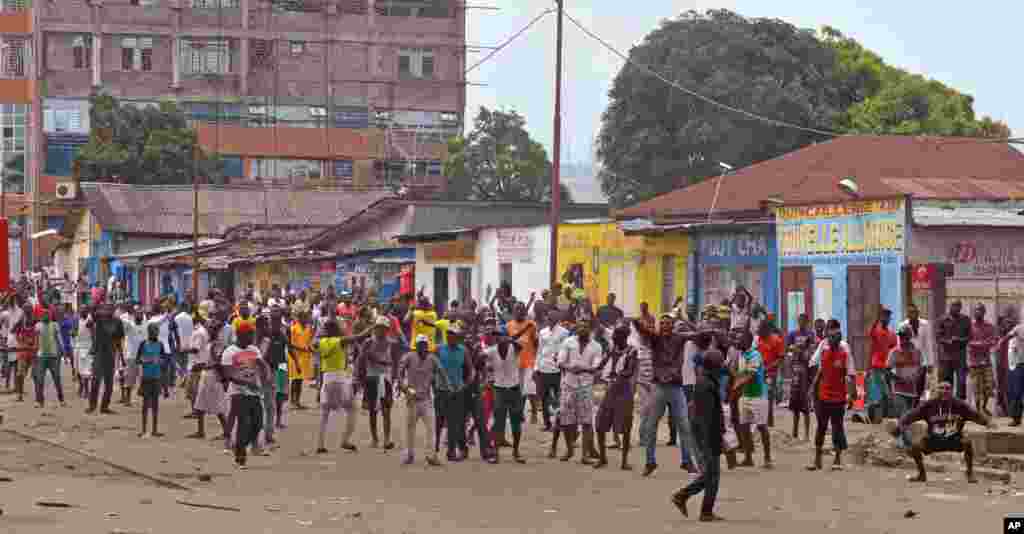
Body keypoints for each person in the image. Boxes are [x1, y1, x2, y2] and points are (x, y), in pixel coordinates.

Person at [897, 381, 994, 483]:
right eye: (941, 388)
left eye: (947, 388)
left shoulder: (960, 404)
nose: (944, 391)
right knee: (915, 446)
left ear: (952, 391)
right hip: (933, 440)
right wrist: (901, 423)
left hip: (954, 440)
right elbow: (913, 414)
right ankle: (921, 475)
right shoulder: (929, 405)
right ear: (937, 390)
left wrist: (987, 422)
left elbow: (974, 415)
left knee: (967, 442)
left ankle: (970, 473)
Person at [671, 349, 726, 522]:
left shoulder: (707, 381)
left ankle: (686, 498)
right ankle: (700, 508)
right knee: (712, 475)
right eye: (720, 365)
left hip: (707, 434)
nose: (722, 367)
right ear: (714, 367)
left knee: (711, 474)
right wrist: (711, 440)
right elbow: (706, 417)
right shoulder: (706, 384)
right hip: (707, 435)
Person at [642, 314, 698, 475]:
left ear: (672, 326)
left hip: (676, 388)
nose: (664, 326)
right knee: (651, 426)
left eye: (668, 323)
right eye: (662, 323)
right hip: (659, 387)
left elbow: (697, 334)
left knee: (684, 426)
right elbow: (645, 332)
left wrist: (686, 320)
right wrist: (640, 322)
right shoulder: (655, 339)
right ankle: (650, 462)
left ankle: (687, 461)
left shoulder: (679, 338)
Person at [807, 320, 856, 471]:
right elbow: (820, 371)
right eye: (830, 337)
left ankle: (837, 459)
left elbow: (850, 375)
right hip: (823, 396)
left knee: (837, 427)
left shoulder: (844, 352)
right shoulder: (824, 350)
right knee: (821, 427)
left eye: (835, 338)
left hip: (839, 397)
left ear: (839, 339)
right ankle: (817, 460)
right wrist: (812, 389)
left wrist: (851, 395)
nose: (831, 340)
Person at [221, 321, 269, 470]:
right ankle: (240, 458)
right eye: (250, 334)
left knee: (258, 423)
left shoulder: (254, 349)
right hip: (237, 392)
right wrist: (247, 383)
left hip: (254, 392)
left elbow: (262, 364)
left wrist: (266, 375)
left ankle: (239, 446)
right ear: (241, 335)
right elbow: (228, 375)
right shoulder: (229, 352)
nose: (252, 337)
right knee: (243, 423)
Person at [316, 319, 365, 454]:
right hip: (340, 380)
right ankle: (345, 440)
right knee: (352, 409)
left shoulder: (321, 342)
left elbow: (313, 345)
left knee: (324, 414)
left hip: (327, 379)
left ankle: (320, 445)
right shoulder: (340, 341)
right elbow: (359, 336)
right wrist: (373, 326)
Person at [557, 322, 602, 464]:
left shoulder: (596, 346)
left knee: (587, 421)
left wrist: (582, 368)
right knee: (566, 421)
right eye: (580, 327)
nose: (583, 329)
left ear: (590, 329)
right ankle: (569, 449)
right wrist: (570, 367)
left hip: (586, 386)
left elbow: (596, 366)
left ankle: (585, 455)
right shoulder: (568, 342)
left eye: (586, 327)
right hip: (568, 385)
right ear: (576, 329)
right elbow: (560, 361)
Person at [593, 324, 637, 470]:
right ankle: (603, 457)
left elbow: (630, 371)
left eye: (616, 335)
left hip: (624, 392)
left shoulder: (632, 351)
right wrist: (591, 369)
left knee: (625, 427)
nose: (613, 337)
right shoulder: (612, 349)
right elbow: (601, 365)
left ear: (624, 337)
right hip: (611, 390)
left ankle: (624, 461)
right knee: (600, 424)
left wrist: (616, 375)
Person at [398, 335, 445, 466]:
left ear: (427, 346)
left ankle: (431, 455)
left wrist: (447, 386)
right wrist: (403, 386)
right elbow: (400, 372)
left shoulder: (432, 358)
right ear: (416, 346)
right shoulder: (409, 356)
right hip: (412, 399)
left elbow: (441, 371)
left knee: (431, 428)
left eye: (424, 344)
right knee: (410, 429)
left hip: (426, 399)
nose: (422, 347)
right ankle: (409, 455)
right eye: (420, 344)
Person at [482, 333, 526, 464]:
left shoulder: (514, 348)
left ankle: (516, 451)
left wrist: (510, 340)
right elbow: (480, 357)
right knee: (499, 422)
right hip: (499, 389)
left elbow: (520, 346)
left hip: (514, 389)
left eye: (502, 336)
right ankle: (496, 453)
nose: (500, 339)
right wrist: (479, 356)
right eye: (497, 337)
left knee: (516, 422)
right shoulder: (492, 350)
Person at [359, 316, 401, 449]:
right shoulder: (368, 342)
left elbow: (396, 362)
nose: (381, 331)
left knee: (386, 410)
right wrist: (360, 378)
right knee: (373, 410)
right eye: (379, 328)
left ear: (387, 330)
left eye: (384, 328)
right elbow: (361, 359)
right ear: (375, 328)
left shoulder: (391, 343)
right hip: (371, 377)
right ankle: (374, 439)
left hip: (385, 379)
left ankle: (387, 439)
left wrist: (395, 378)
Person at [732, 329, 772, 469]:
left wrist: (736, 386)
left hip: (758, 396)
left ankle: (767, 458)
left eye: (739, 339)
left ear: (747, 341)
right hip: (746, 395)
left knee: (762, 426)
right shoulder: (741, 354)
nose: (736, 341)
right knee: (744, 427)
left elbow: (750, 375)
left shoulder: (755, 355)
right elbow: (740, 374)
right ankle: (748, 458)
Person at [437, 325, 472, 462]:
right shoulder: (439, 349)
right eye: (448, 334)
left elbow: (471, 369)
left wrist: (466, 383)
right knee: (440, 420)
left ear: (458, 337)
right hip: (442, 390)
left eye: (453, 334)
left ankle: (453, 450)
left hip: (457, 390)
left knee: (455, 421)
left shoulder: (463, 350)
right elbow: (431, 365)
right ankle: (437, 448)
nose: (450, 336)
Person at [88, 304, 125, 414]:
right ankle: (92, 405)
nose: (108, 310)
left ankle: (104, 406)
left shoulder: (118, 322)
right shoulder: (99, 319)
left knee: (109, 383)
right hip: (99, 353)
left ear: (113, 310)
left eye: (110, 309)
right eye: (106, 308)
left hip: (111, 353)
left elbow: (119, 340)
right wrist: (97, 312)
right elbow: (90, 321)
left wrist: (121, 356)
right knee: (95, 381)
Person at [507, 302, 540, 426]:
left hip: (529, 361)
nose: (519, 312)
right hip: (515, 362)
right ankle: (519, 412)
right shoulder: (509, 325)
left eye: (521, 309)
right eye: (517, 309)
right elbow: (510, 341)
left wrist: (536, 359)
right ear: (513, 311)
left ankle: (534, 412)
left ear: (525, 311)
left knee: (529, 388)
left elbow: (536, 342)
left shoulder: (532, 325)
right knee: (518, 390)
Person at [535, 313, 569, 432]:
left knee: (559, 397)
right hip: (543, 368)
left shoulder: (564, 332)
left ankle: (560, 423)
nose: (550, 320)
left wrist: (563, 364)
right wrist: (536, 367)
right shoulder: (542, 332)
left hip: (557, 369)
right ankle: (547, 423)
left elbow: (565, 350)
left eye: (552, 318)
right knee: (544, 398)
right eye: (548, 318)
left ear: (557, 319)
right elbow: (539, 350)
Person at [785, 313, 816, 440]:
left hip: (806, 373)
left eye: (803, 321)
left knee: (806, 406)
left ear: (807, 322)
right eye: (799, 321)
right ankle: (795, 433)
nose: (801, 323)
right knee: (795, 406)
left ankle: (807, 434)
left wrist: (806, 352)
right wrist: (794, 350)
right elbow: (787, 349)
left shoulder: (810, 334)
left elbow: (812, 350)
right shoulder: (792, 334)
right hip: (795, 372)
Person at [136, 323, 169, 437]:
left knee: (155, 404)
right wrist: (148, 360)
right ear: (149, 332)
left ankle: (154, 430)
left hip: (156, 377)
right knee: (145, 404)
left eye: (156, 331)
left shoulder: (160, 344)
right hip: (146, 377)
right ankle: (144, 429)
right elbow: (138, 360)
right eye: (153, 331)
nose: (155, 333)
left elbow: (164, 361)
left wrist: (160, 361)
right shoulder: (143, 344)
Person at [899, 303, 936, 403]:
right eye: (910, 312)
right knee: (910, 385)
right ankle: (911, 405)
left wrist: (930, 362)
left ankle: (916, 403)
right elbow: (900, 344)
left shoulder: (925, 324)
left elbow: (928, 343)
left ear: (918, 313)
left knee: (920, 385)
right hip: (908, 361)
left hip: (922, 361)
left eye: (914, 312)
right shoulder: (902, 325)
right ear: (907, 314)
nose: (912, 314)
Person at [866, 307, 897, 423]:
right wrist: (876, 318)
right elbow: (871, 331)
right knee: (878, 392)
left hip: (887, 366)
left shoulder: (892, 334)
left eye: (887, 317)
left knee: (886, 392)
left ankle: (884, 415)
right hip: (876, 366)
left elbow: (893, 348)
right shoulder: (876, 330)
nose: (886, 318)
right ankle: (876, 416)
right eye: (884, 316)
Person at [937, 301, 971, 400]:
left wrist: (959, 340)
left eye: (958, 306)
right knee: (947, 383)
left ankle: (960, 404)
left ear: (960, 308)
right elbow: (938, 337)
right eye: (954, 306)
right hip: (946, 356)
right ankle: (947, 403)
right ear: (950, 306)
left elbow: (969, 337)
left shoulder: (965, 319)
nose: (956, 308)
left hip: (960, 357)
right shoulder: (943, 319)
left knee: (961, 382)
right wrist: (947, 341)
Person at [967, 303, 997, 417]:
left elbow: (993, 340)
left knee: (988, 386)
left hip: (986, 361)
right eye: (976, 310)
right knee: (976, 387)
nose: (978, 312)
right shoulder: (969, 326)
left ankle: (984, 407)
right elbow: (967, 341)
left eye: (980, 310)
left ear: (984, 312)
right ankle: (978, 409)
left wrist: (980, 344)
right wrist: (982, 344)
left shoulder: (989, 326)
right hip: (973, 362)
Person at [889, 325, 924, 419]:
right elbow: (887, 370)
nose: (901, 338)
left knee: (908, 417)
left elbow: (921, 369)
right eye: (900, 336)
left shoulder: (917, 352)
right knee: (903, 414)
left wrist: (916, 378)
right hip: (898, 390)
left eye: (903, 336)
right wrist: (898, 378)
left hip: (912, 390)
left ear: (909, 337)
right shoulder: (895, 352)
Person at [756, 320, 785, 427]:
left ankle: (769, 422)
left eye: (760, 329)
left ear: (767, 330)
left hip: (770, 374)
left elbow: (781, 359)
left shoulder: (777, 340)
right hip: (758, 372)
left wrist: (767, 368)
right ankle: (761, 422)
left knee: (768, 397)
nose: (758, 331)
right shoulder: (759, 339)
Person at [33, 310, 65, 408]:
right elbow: (36, 340)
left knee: (57, 378)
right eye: (44, 314)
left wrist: (63, 350)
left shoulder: (55, 325)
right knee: (40, 379)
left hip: (53, 356)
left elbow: (59, 338)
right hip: (41, 356)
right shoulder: (38, 326)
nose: (45, 316)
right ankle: (39, 401)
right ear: (41, 316)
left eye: (47, 314)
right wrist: (35, 353)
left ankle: (61, 399)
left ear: (50, 315)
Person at [120, 306, 147, 406]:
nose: (139, 315)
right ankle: (127, 399)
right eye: (137, 313)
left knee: (145, 378)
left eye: (141, 314)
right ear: (134, 315)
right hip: (131, 356)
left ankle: (145, 400)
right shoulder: (129, 324)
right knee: (129, 378)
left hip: (143, 356)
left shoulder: (145, 325)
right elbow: (121, 320)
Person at [288, 312, 315, 409]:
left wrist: (311, 348)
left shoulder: (308, 328)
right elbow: (291, 344)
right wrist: (302, 348)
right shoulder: (294, 329)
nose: (306, 319)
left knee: (300, 380)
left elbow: (309, 341)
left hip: (305, 357)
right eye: (304, 317)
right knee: (295, 379)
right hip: (295, 357)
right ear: (299, 318)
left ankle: (297, 401)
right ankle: (293, 400)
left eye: (306, 317)